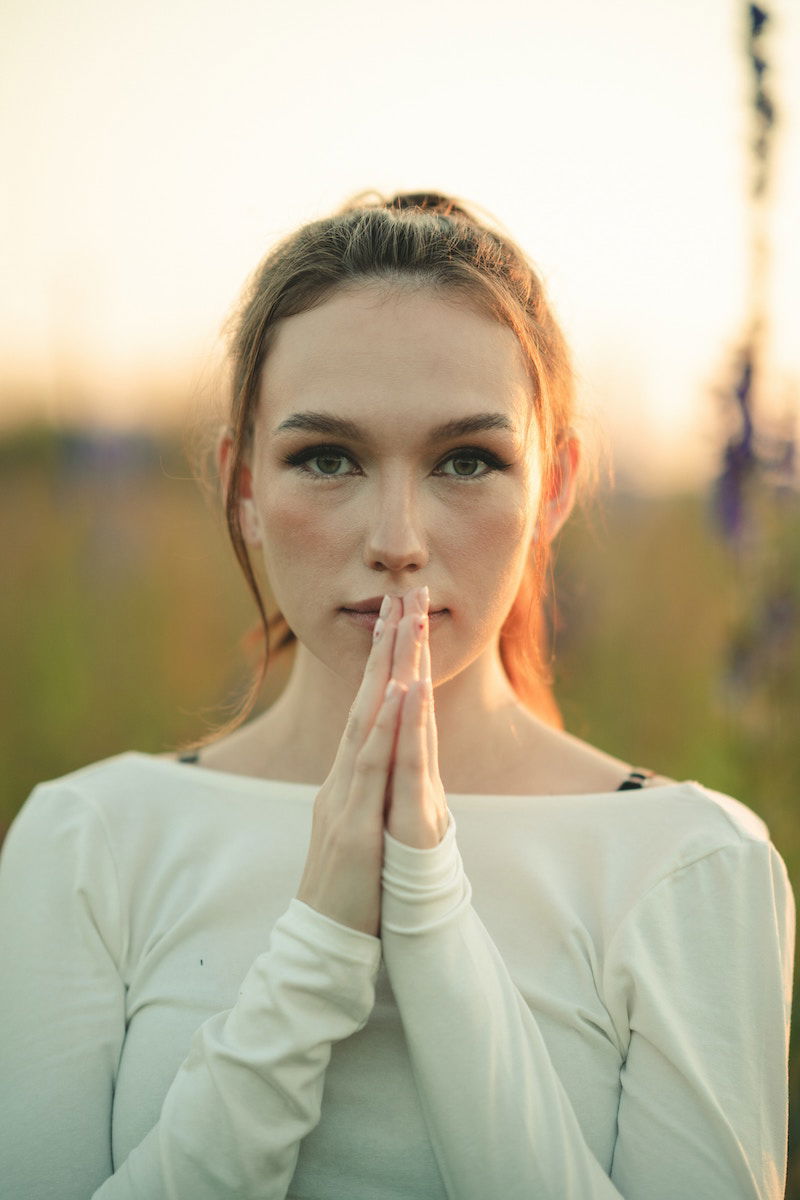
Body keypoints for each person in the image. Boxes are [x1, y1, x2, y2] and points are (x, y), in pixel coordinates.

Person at [0, 191, 794, 1200]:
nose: (397, 537)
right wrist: (318, 953)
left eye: (467, 460)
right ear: (242, 486)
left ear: (552, 489)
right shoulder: (89, 842)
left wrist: (426, 906)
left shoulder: (689, 864)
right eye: (324, 458)